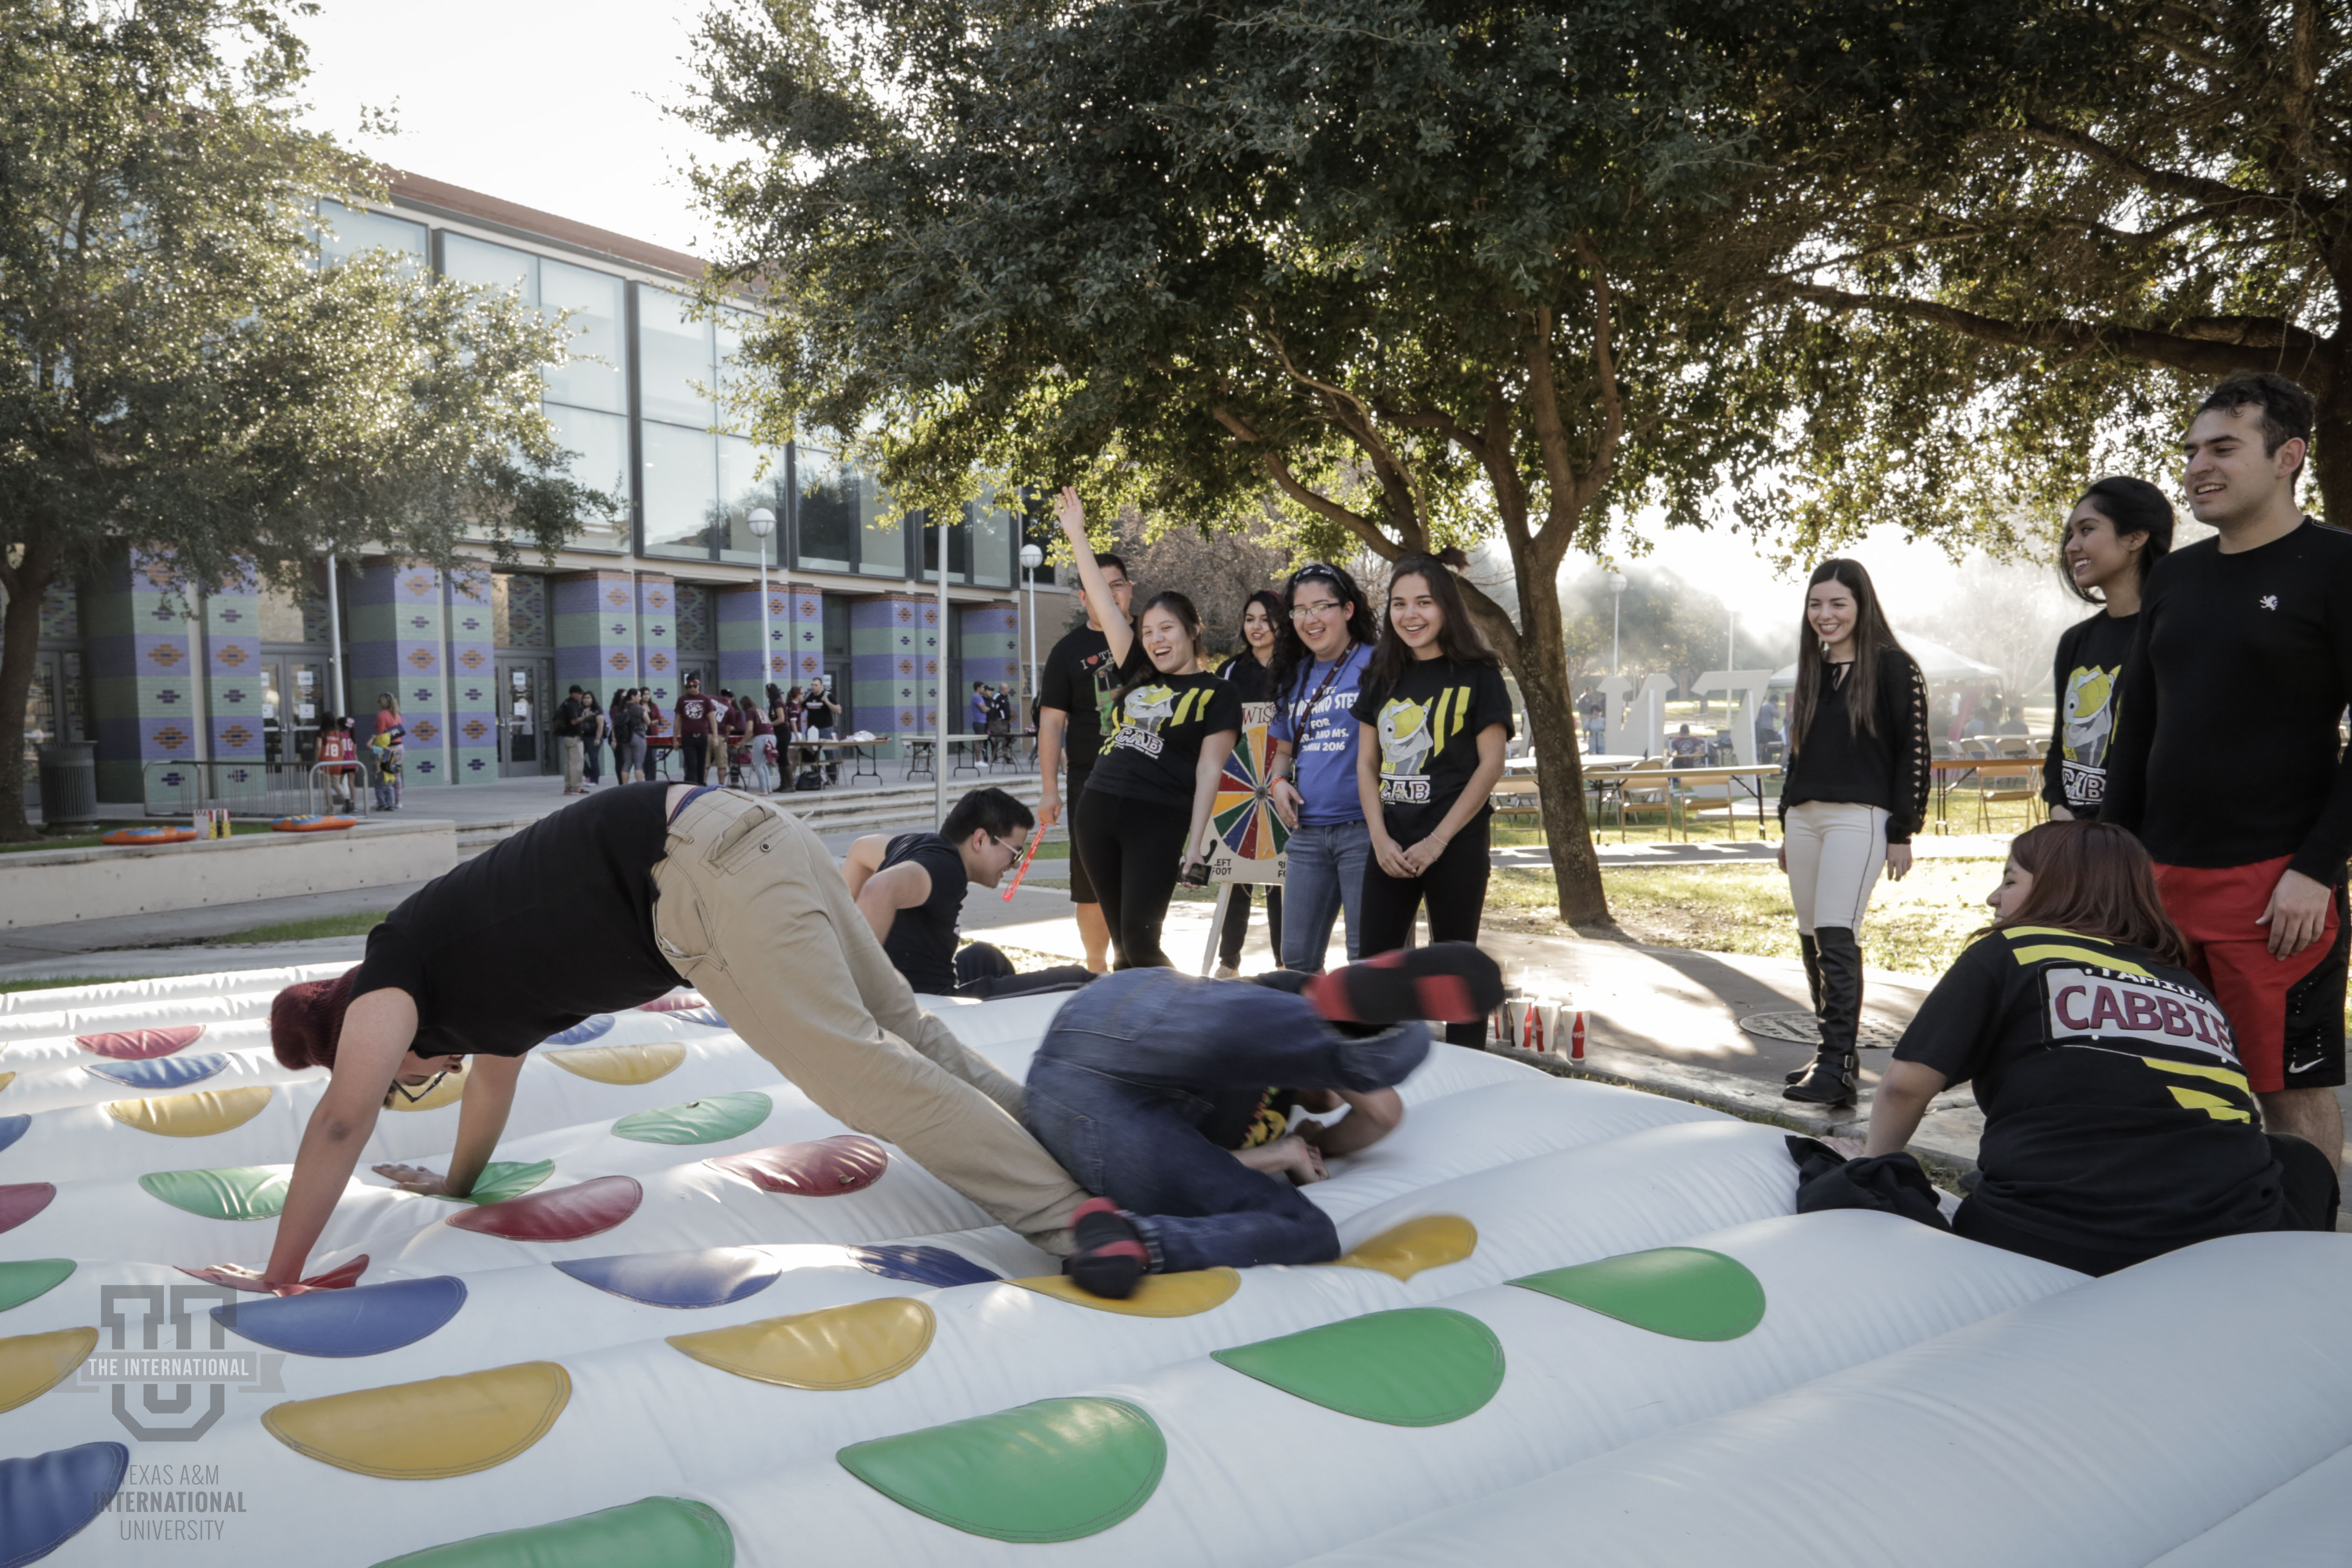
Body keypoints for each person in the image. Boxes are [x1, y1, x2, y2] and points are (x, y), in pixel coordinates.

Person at [246, 781, 1121, 1292]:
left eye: (405, 1083)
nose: (417, 1080)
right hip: (752, 833)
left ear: (351, 1020)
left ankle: (1072, 1220)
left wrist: (279, 1276)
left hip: (698, 874)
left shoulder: (390, 969)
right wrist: (453, 1186)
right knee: (910, 1038)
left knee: (855, 1070)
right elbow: (491, 1088)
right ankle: (1102, 1166)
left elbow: (339, 1119)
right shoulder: (473, 1001)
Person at [1864, 820, 2339, 1275]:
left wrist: (1870, 1166)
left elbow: (1905, 1085)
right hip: (2226, 1239)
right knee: (2299, 1158)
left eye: (2008, 880)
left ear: (2060, 886)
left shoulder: (2013, 948)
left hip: (2047, 1237)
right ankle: (2299, 1276)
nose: (1993, 896)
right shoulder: (2186, 983)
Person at [2103, 371, 2352, 1168]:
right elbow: (2135, 729)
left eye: (2222, 448)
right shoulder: (2173, 576)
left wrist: (2315, 869)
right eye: (2189, 451)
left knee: (2286, 1088)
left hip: (2277, 888)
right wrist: (2111, 862)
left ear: (2287, 456)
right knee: (2168, 1080)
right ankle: (2195, 1242)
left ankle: (2300, 1254)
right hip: (2157, 882)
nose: (2195, 467)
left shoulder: (2336, 565)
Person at [1024, 945, 1504, 1297]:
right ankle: (1372, 1030)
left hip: (1081, 1087)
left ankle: (1123, 1240)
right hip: (1164, 1031)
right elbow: (1383, 1111)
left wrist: (1284, 1149)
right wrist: (1320, 1143)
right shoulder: (1284, 1017)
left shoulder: (1284, 1064)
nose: (1332, 1099)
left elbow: (1198, 1163)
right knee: (1306, 1224)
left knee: (1305, 1224)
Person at [1055, 488, 1241, 970]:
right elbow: (1102, 600)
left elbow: (1209, 772)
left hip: (1156, 818)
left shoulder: (1218, 694)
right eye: (1149, 631)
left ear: (1191, 630)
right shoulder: (1138, 670)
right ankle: (1133, 1030)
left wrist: (1196, 843)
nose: (1156, 639)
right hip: (1096, 808)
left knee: (1140, 945)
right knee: (1124, 949)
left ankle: (1181, 1018)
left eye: (1167, 629)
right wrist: (1076, 534)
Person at [1774, 559, 1931, 1108]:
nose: (1825, 614)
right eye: (1816, 604)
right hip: (1805, 818)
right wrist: (1784, 821)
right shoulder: (1813, 669)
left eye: (1837, 603)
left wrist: (1903, 829)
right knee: (1810, 936)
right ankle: (1830, 1051)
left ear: (1860, 605)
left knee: (1837, 932)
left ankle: (1837, 1064)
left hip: (1858, 818)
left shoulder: (1893, 667)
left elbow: (1914, 749)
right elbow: (1799, 755)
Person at [1353, 552, 1513, 1047]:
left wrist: (1438, 840)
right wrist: (1379, 839)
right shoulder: (1381, 673)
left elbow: (1491, 764)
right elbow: (1366, 763)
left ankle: (1466, 1084)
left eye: (1423, 601)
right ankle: (1374, 1077)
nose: (1410, 614)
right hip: (1390, 846)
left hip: (1454, 843)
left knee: (1454, 970)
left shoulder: (1479, 673)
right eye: (1398, 603)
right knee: (1373, 972)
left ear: (1445, 606)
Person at [842, 786, 1094, 999]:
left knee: (986, 958)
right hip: (928, 1003)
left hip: (924, 982)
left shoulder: (918, 845)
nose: (1016, 863)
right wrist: (858, 998)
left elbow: (860, 849)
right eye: (1015, 852)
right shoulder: (946, 869)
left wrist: (834, 941)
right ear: (980, 840)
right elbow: (879, 890)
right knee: (1081, 982)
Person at [2040, 478, 2174, 821]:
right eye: (2071, 534)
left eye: (2087, 529)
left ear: (2136, 537)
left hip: (2142, 849)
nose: (2072, 546)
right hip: (2075, 841)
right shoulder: (2076, 640)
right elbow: (2061, 740)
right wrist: (2057, 804)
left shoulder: (2173, 635)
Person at [1267, 561, 1378, 972]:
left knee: (1368, 960)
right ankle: (1311, 1035)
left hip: (1366, 833)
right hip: (1307, 835)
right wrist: (1278, 782)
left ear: (1348, 610)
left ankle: (1375, 1037)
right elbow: (1283, 752)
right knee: (1295, 960)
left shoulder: (1379, 664)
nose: (1310, 619)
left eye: (1322, 607)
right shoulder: (1292, 676)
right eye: (1299, 610)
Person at [1037, 536, 1141, 973]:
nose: (1109, 594)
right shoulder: (1067, 651)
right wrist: (1048, 791)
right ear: (1084, 596)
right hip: (1089, 783)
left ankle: (1135, 966)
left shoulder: (1150, 638)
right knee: (1090, 885)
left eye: (1117, 585)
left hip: (1146, 782)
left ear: (1129, 589)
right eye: (1099, 587)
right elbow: (1051, 723)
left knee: (1139, 882)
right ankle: (1095, 969)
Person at [1213, 589, 1288, 978]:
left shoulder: (1298, 667)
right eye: (1250, 619)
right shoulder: (1228, 671)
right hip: (1239, 783)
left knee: (1282, 874)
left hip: (1285, 781)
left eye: (1265, 619)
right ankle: (1229, 961)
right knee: (1238, 871)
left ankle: (1285, 961)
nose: (1257, 627)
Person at [675, 674, 720, 786]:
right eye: (690, 687)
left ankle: (700, 785)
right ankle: (690, 786)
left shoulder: (706, 699)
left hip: (702, 736)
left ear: (699, 685)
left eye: (695, 686)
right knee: (691, 764)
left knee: (702, 763)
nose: (692, 689)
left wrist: (715, 736)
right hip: (688, 737)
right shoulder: (682, 700)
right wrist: (675, 739)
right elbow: (677, 720)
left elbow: (712, 718)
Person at [802, 678, 839, 784]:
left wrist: (827, 702)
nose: (813, 687)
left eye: (816, 685)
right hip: (812, 730)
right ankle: (816, 777)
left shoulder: (827, 696)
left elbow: (838, 710)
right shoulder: (810, 696)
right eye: (812, 685)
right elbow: (802, 708)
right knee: (812, 754)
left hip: (825, 729)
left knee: (829, 753)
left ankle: (832, 779)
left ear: (821, 686)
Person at [609, 688, 646, 784]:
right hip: (638, 736)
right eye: (639, 696)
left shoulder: (620, 708)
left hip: (625, 738)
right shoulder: (638, 708)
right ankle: (640, 787)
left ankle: (624, 787)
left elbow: (614, 724)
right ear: (633, 696)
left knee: (627, 763)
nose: (640, 698)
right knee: (638, 764)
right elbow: (648, 721)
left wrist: (615, 739)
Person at [556, 685, 588, 794]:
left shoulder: (565, 703)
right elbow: (574, 721)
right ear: (574, 694)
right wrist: (586, 717)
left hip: (567, 736)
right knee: (577, 762)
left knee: (569, 763)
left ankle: (569, 787)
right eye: (580, 694)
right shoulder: (573, 705)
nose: (581, 696)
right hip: (574, 737)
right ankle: (576, 787)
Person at [579, 693, 606, 788]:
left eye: (588, 698)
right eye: (585, 698)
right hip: (583, 738)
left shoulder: (596, 711)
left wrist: (598, 738)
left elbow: (601, 725)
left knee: (593, 758)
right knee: (579, 757)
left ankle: (595, 779)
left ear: (592, 699)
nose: (586, 700)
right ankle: (589, 775)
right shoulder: (581, 710)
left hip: (593, 738)